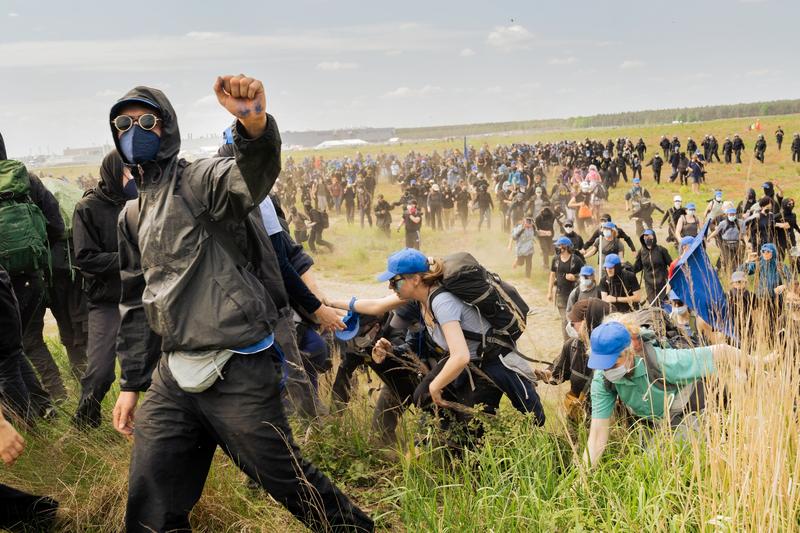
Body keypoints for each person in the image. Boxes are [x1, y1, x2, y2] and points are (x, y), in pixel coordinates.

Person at [108, 76, 372, 532]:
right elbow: (136, 303)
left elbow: (251, 173)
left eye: (147, 121)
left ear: (166, 128)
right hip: (175, 374)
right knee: (150, 492)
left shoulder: (201, 181)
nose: (135, 130)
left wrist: (252, 123)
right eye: (124, 123)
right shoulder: (132, 214)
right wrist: (132, 383)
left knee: (286, 480)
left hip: (237, 365)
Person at [374, 249, 545, 440]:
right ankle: (449, 440)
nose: (390, 287)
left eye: (394, 281)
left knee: (532, 418)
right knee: (423, 397)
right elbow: (376, 308)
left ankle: (523, 450)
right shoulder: (420, 302)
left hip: (492, 359)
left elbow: (460, 356)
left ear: (415, 279)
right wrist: (334, 304)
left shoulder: (442, 302)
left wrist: (436, 385)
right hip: (468, 362)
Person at [583, 318, 736, 465]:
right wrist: (583, 479)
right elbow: (597, 434)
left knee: (651, 464)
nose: (607, 370)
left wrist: (757, 362)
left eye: (613, 363)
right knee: (644, 463)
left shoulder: (662, 361)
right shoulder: (602, 379)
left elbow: (721, 351)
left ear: (629, 353)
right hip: (654, 422)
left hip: (687, 411)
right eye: (603, 365)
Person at [71, 151, 133, 428]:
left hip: (141, 297)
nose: (132, 178)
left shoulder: (140, 202)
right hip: (106, 301)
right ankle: (83, 425)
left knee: (160, 367)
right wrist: (129, 258)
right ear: (112, 172)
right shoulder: (88, 208)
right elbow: (85, 258)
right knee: (100, 372)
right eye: (126, 172)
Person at [536, 298, 612, 424]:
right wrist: (543, 374)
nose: (569, 326)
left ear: (586, 322)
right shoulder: (571, 345)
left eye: (573, 323)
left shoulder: (613, 351)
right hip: (577, 416)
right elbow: (558, 372)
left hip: (606, 420)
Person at [549, 237, 585, 340]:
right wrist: (549, 292)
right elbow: (552, 275)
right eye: (558, 246)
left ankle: (578, 339)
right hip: (561, 294)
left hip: (575, 295)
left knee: (575, 319)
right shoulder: (555, 259)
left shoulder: (576, 260)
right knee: (565, 320)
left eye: (560, 246)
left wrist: (575, 277)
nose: (558, 248)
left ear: (566, 247)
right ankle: (567, 344)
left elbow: (586, 275)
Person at [633, 229, 672, 304]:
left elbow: (671, 264)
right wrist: (627, 271)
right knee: (653, 305)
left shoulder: (661, 250)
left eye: (649, 236)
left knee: (664, 305)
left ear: (654, 237)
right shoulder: (641, 252)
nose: (647, 238)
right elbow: (637, 267)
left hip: (663, 284)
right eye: (645, 236)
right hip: (649, 285)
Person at [708, 207, 745, 272]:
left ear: (735, 214)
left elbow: (743, 233)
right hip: (726, 244)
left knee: (739, 260)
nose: (732, 216)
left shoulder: (740, 223)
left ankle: (738, 273)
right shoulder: (723, 223)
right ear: (727, 215)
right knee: (730, 261)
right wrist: (709, 237)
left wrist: (742, 240)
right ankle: (732, 274)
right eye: (730, 214)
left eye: (733, 214)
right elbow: (716, 231)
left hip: (736, 243)